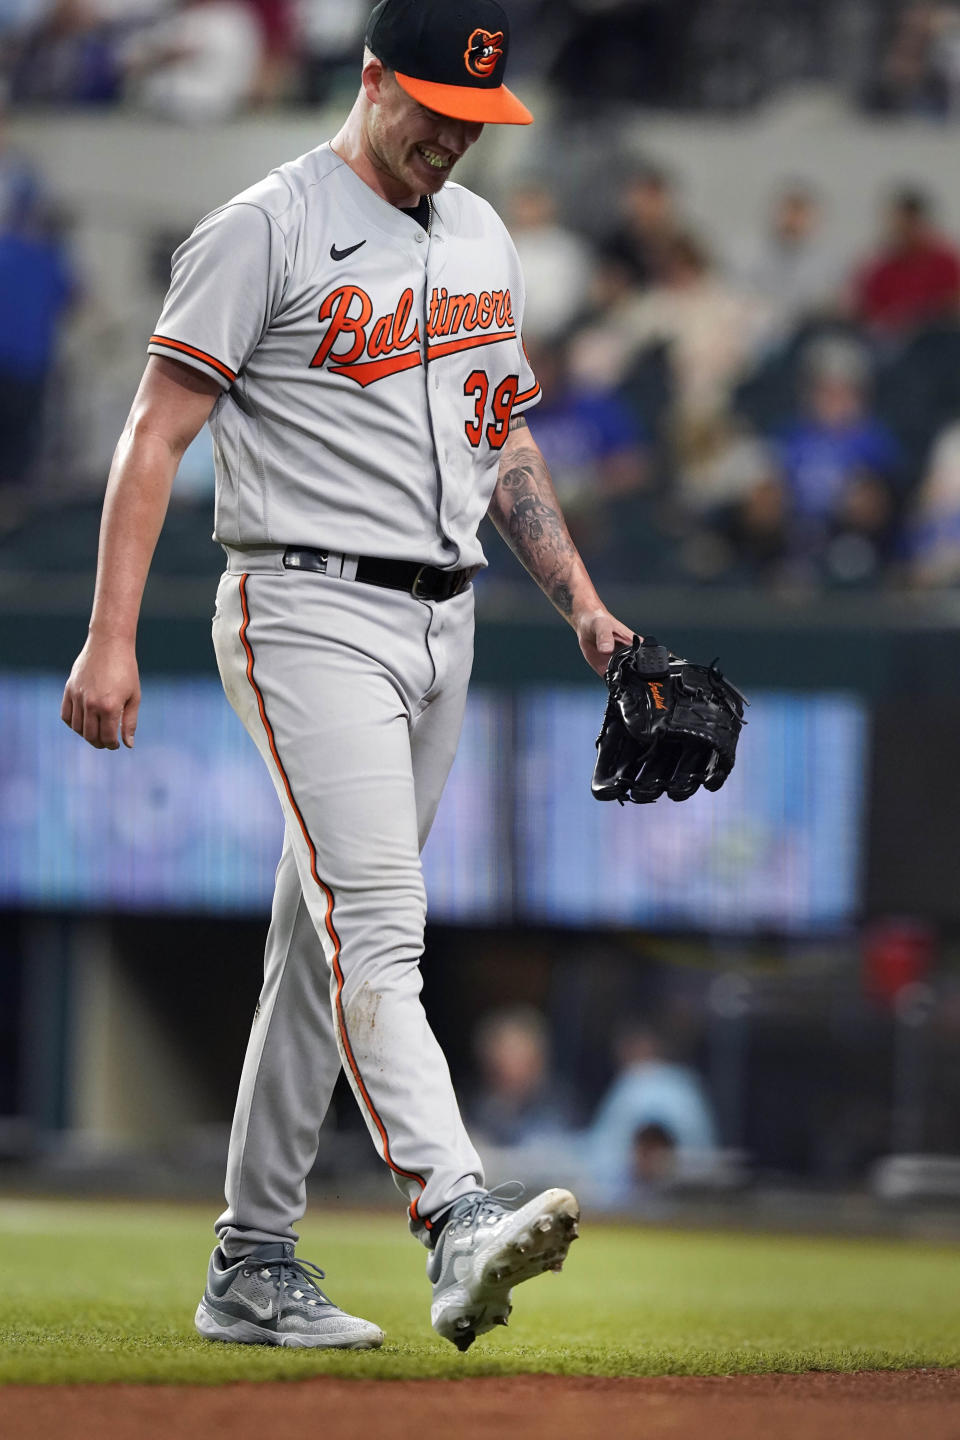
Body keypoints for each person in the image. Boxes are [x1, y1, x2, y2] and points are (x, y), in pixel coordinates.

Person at [60, 0, 633, 1354]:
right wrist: (108, 634)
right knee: (379, 920)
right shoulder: (265, 225)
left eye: (475, 119)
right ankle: (455, 1216)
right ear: (372, 78)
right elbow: (155, 432)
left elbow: (500, 450)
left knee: (317, 956)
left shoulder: (482, 233)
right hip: (306, 603)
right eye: (434, 108)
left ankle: (252, 1264)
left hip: (451, 617)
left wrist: (585, 606)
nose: (453, 138)